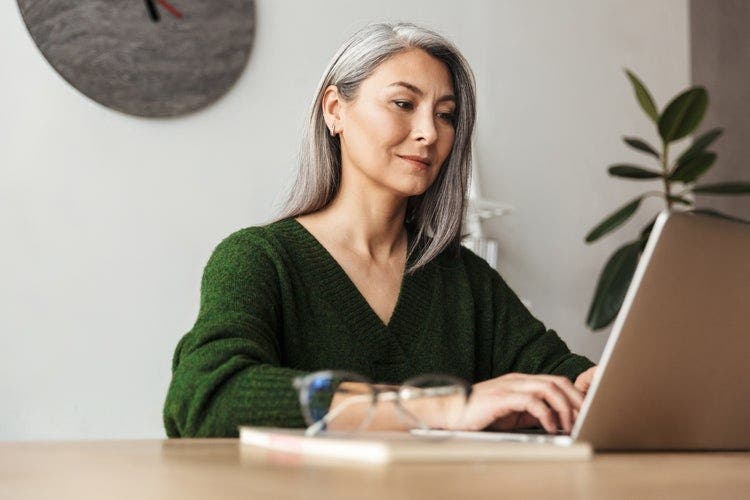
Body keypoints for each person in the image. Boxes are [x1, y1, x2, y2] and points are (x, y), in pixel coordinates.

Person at [163, 22, 598, 438]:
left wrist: (598, 385)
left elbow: (560, 378)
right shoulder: (259, 260)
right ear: (335, 110)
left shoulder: (465, 280)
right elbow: (207, 396)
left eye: (445, 115)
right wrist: (442, 407)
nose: (429, 132)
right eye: (403, 104)